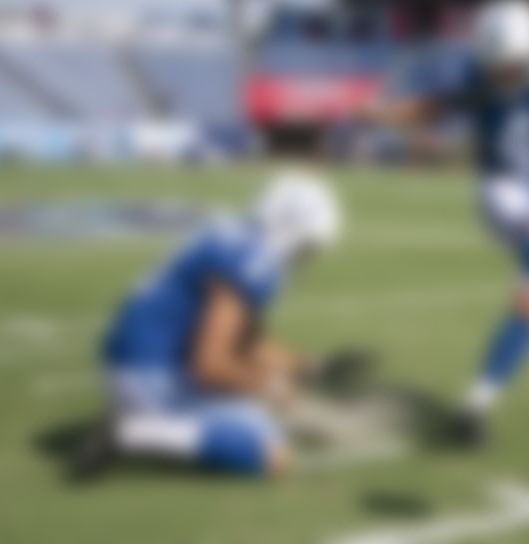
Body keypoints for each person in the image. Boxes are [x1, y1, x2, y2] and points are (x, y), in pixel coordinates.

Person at [366, 0, 529, 447]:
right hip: (502, 190)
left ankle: (474, 408)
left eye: (510, 67)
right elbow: (434, 106)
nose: (501, 76)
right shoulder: (477, 71)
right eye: (495, 68)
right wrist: (384, 114)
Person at [70, 172, 351, 480]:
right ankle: (132, 433)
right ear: (290, 229)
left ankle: (140, 417)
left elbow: (245, 341)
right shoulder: (252, 259)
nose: (305, 257)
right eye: (306, 245)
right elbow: (209, 364)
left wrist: (306, 366)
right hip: (151, 374)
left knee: (254, 404)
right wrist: (270, 387)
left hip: (134, 364)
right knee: (273, 455)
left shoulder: (238, 235)